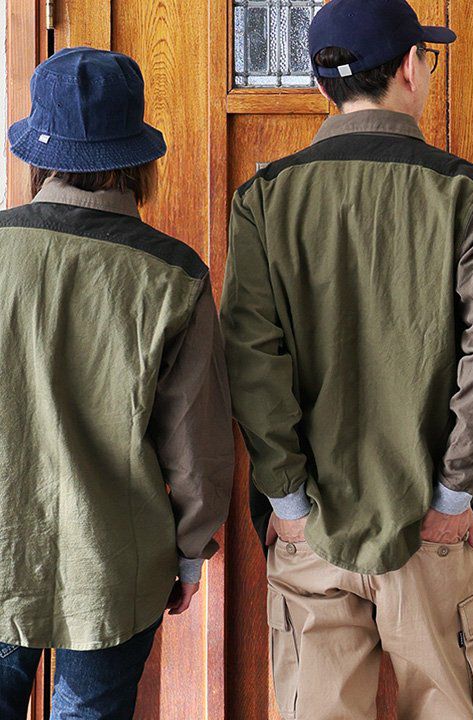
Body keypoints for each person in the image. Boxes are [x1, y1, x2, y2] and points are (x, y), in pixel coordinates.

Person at [220, 0, 473, 716]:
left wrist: (288, 500)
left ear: (323, 83)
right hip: (435, 527)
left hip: (311, 528)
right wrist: (454, 495)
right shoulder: (470, 195)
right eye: (427, 57)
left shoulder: (263, 200)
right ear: (409, 69)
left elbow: (250, 360)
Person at [0, 47, 235, 719]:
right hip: (115, 565)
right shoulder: (174, 274)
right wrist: (189, 554)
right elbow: (198, 441)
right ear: (136, 158)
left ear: (37, 153)